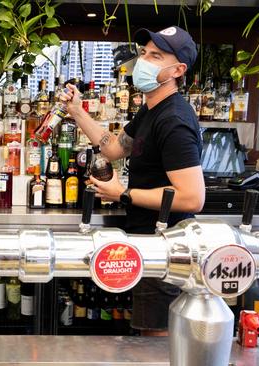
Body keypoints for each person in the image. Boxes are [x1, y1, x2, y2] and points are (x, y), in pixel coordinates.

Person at [60, 26, 205, 335]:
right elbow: (113, 148)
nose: (144, 61)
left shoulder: (174, 119)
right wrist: (76, 111)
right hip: (148, 242)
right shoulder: (151, 111)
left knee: (157, 342)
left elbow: (192, 197)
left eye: (156, 56)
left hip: (168, 248)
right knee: (146, 333)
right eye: (144, 53)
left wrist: (124, 193)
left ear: (178, 69)